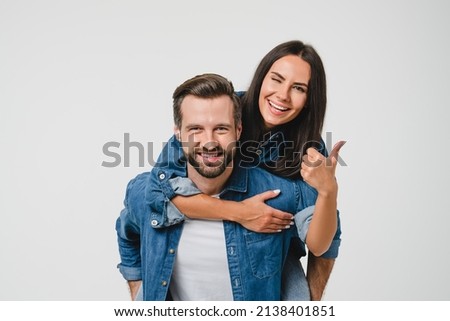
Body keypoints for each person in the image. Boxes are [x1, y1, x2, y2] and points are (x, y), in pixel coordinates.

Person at [141, 40, 344, 300]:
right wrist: (241, 213)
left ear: (309, 99)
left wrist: (329, 191)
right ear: (261, 79)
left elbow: (322, 243)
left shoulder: (309, 148)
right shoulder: (220, 112)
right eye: (277, 80)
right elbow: (157, 192)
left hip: (272, 257)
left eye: (298, 88)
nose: (282, 95)